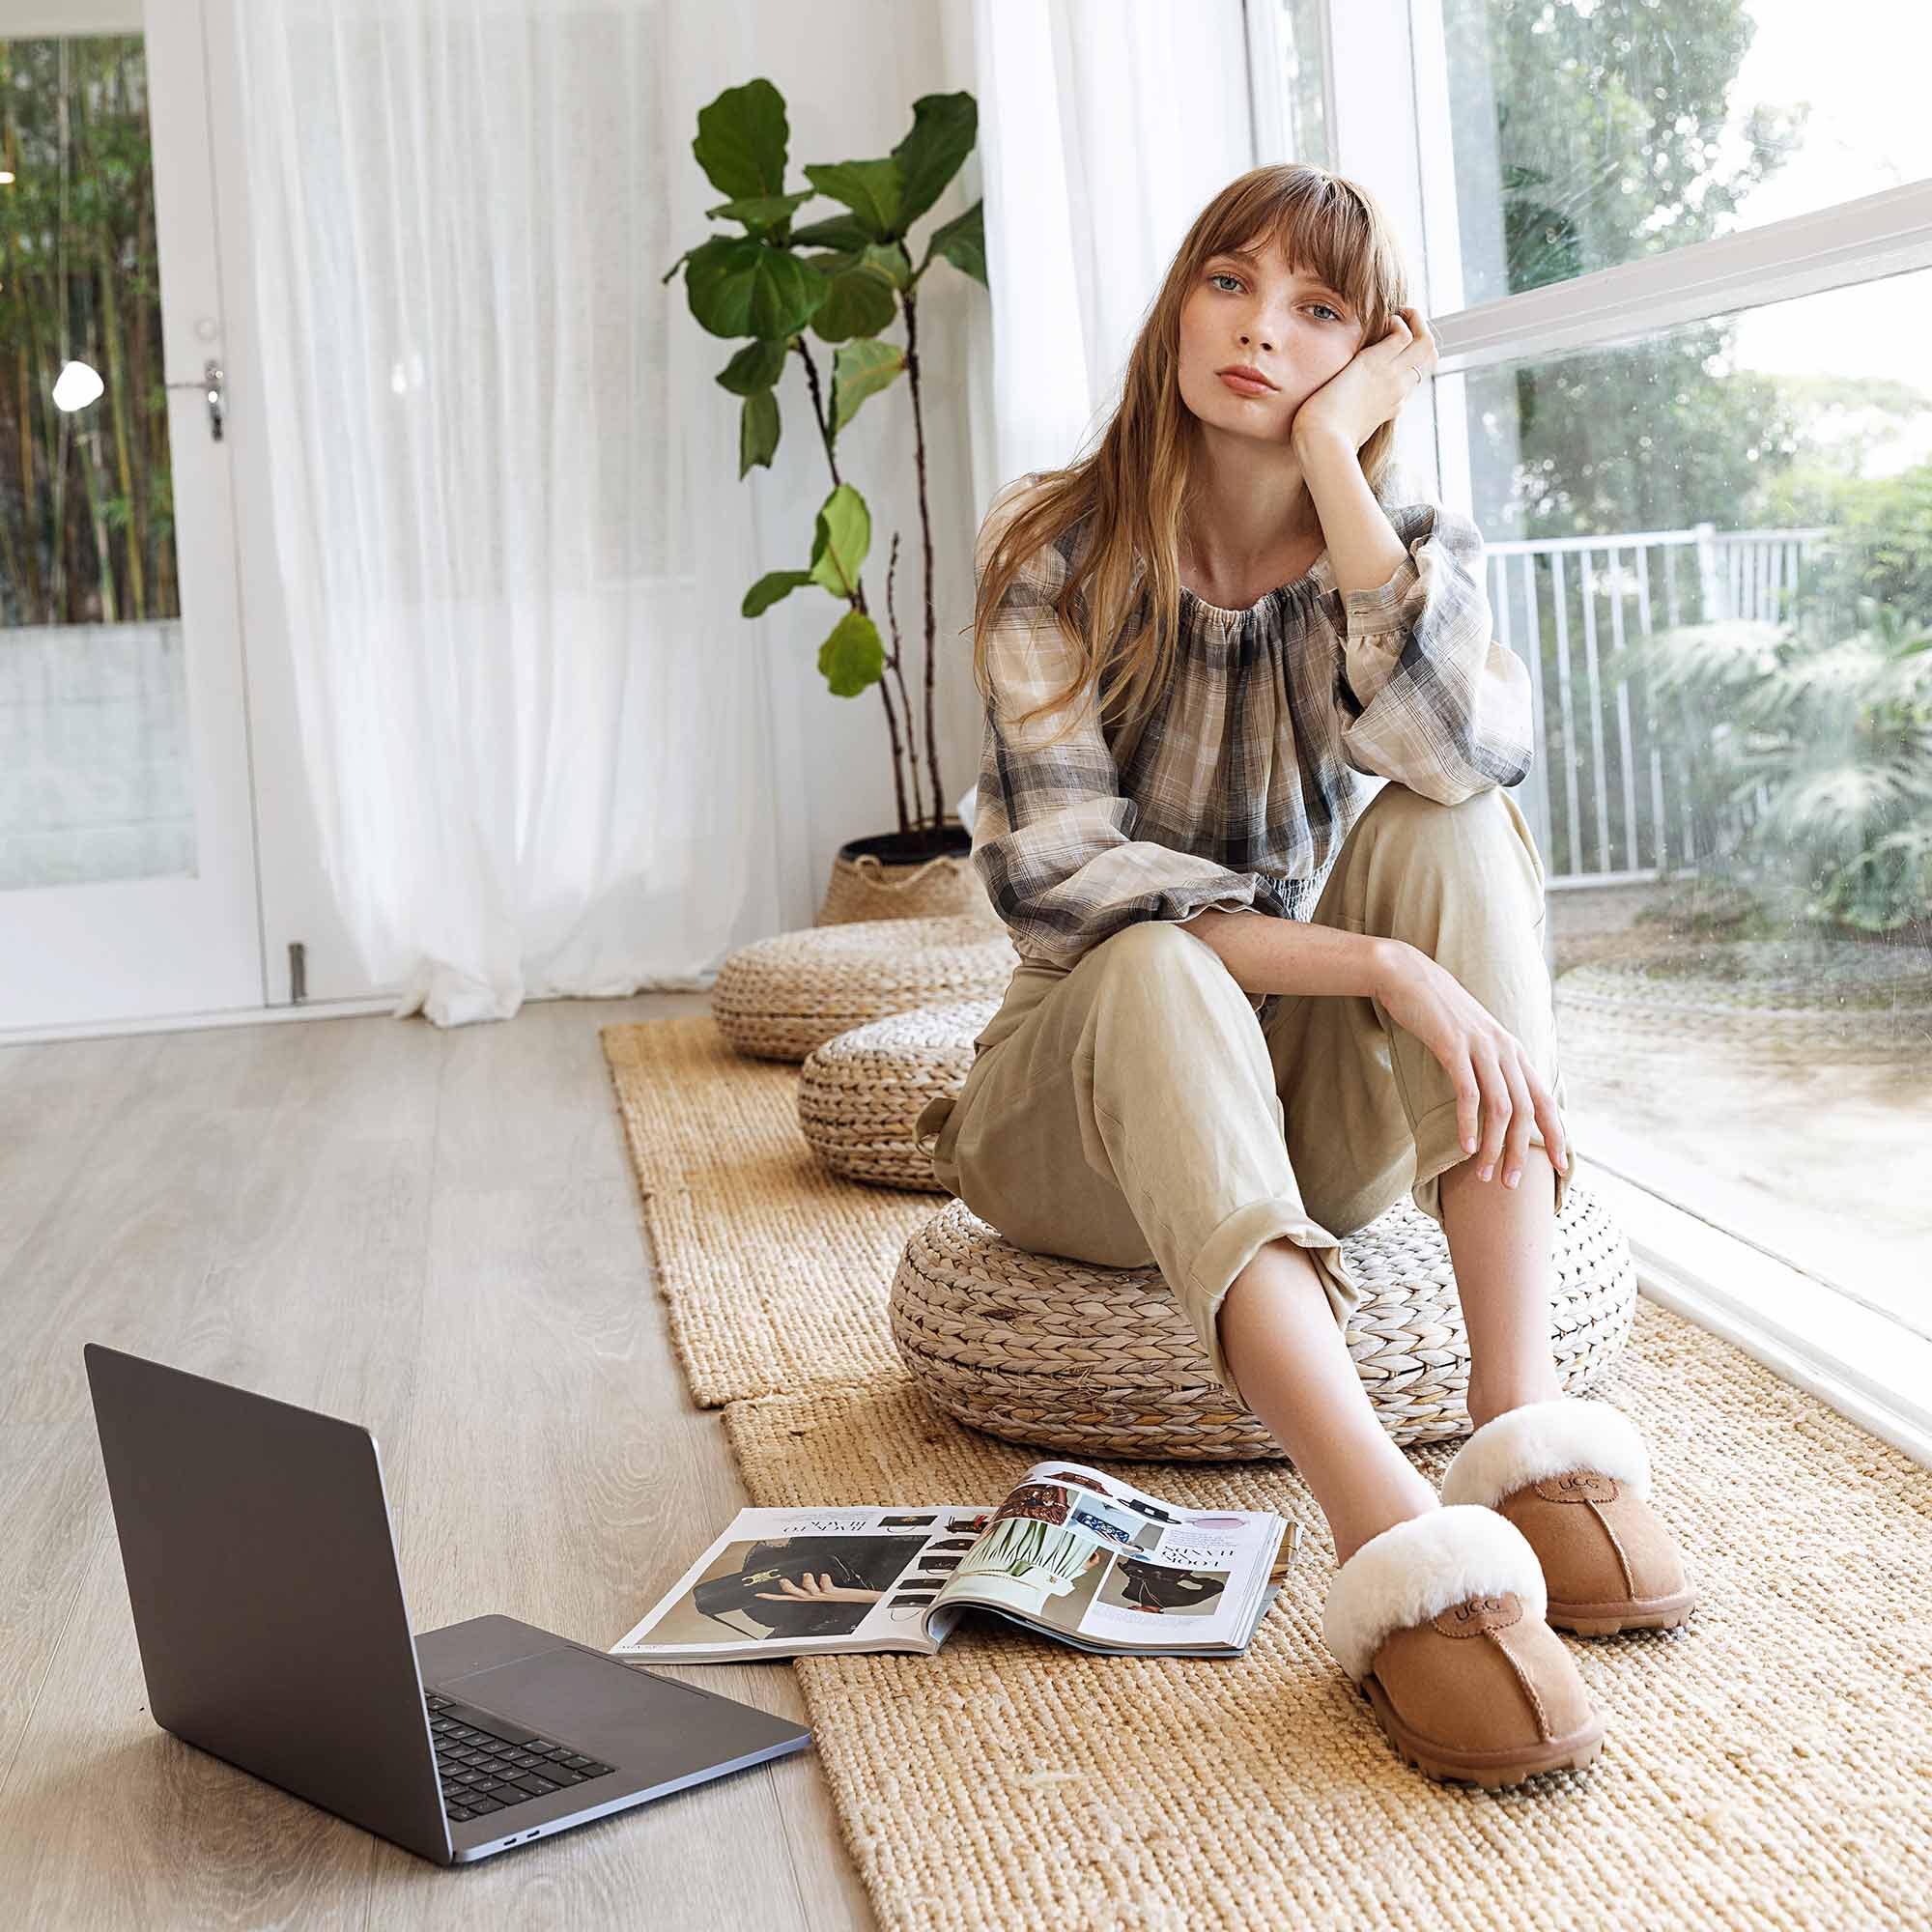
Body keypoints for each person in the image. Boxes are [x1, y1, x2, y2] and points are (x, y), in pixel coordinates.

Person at [915, 162, 1694, 1791]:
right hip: (1070, 1107)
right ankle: (1393, 1537)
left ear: (1366, 355)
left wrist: (1338, 462)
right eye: (1231, 281)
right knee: (1148, 965)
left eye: (1318, 309)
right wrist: (1379, 970)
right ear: (1180, 302)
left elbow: (1460, 751)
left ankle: (1517, 1422)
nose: (1261, 329)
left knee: (1451, 822)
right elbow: (1071, 882)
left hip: (1289, 1122)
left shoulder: (1394, 547)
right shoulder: (1052, 548)